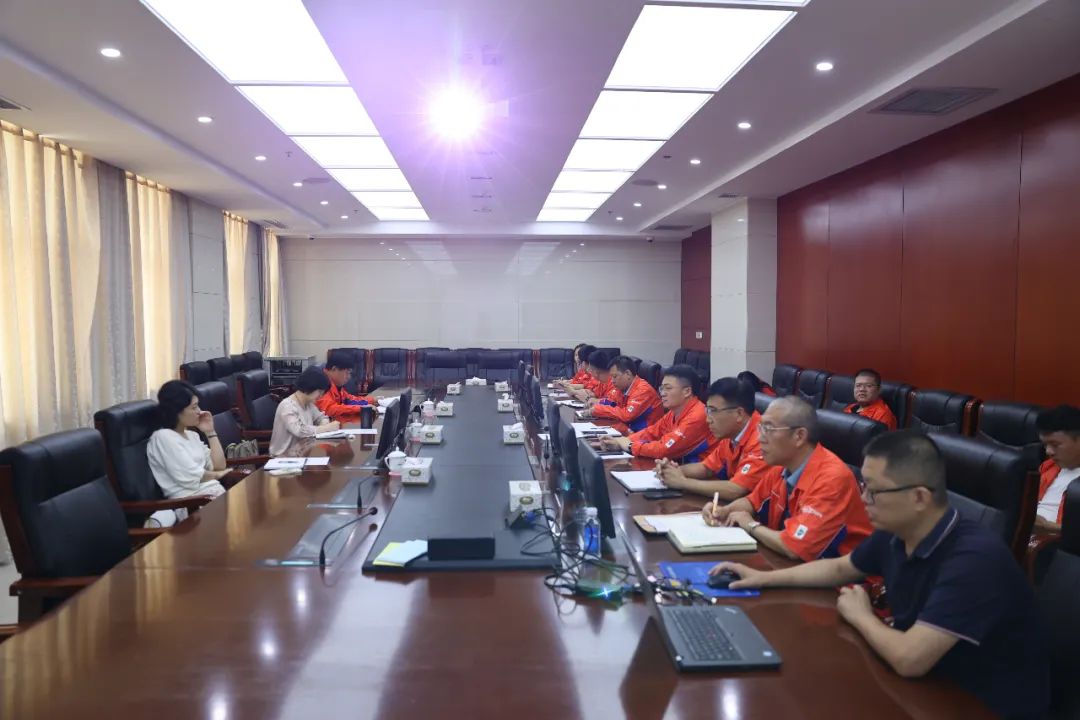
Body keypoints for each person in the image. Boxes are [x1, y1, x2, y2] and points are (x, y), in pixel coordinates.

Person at [709, 431, 1050, 719]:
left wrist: (861, 615)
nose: (863, 499)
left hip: (978, 703)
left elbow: (910, 659)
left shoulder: (975, 560)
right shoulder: (897, 531)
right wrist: (760, 578)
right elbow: (840, 568)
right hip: (925, 686)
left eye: (873, 491)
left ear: (919, 497)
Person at [701, 396, 871, 561]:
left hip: (841, 576)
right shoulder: (782, 464)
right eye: (760, 428)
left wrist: (751, 525)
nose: (760, 438)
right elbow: (752, 502)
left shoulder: (832, 479)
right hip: (792, 564)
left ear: (799, 436)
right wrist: (725, 511)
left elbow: (795, 547)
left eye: (769, 429)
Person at [656, 377, 768, 501]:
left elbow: (736, 489)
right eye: (708, 411)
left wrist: (683, 482)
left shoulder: (763, 438)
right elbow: (706, 467)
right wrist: (672, 471)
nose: (708, 420)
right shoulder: (730, 432)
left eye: (713, 411)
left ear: (739, 414)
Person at [599, 364, 717, 462]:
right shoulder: (674, 412)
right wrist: (622, 441)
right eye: (662, 388)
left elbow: (664, 449)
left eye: (668, 388)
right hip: (682, 467)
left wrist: (629, 445)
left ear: (687, 391)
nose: (663, 393)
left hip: (708, 477)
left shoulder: (697, 415)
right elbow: (652, 432)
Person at [147, 380, 230, 505]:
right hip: (191, 504)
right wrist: (219, 474)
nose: (199, 411)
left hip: (213, 496)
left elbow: (219, 465)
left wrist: (210, 432)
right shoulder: (163, 437)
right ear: (177, 411)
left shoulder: (192, 435)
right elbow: (192, 478)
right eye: (194, 407)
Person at [269, 366, 340, 457]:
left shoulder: (308, 404)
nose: (321, 396)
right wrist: (326, 428)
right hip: (284, 458)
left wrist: (324, 424)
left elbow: (321, 417)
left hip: (302, 455)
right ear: (309, 386)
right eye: (320, 392)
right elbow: (299, 431)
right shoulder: (287, 406)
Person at [586, 354, 663, 433]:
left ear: (627, 374)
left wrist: (599, 409)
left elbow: (626, 415)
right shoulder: (623, 387)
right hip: (630, 429)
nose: (612, 381)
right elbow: (612, 402)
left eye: (615, 376)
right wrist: (599, 402)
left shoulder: (643, 390)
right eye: (611, 377)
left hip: (645, 434)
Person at [1034, 404, 1080, 531]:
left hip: (1054, 540)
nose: (1048, 451)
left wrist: (1047, 526)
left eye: (1055, 444)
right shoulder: (1048, 467)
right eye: (1045, 445)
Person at [316, 349, 378, 423]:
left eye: (350, 373)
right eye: (347, 373)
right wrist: (361, 408)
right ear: (334, 369)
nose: (349, 377)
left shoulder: (336, 384)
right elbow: (329, 410)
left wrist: (372, 400)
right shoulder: (320, 382)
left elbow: (349, 400)